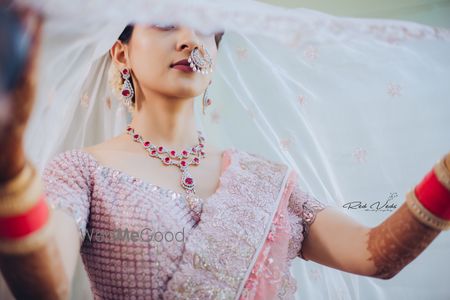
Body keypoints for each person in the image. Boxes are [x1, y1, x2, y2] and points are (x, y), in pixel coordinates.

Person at [1, 1, 450, 299]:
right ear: (121, 55)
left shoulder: (268, 181)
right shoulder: (82, 172)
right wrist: (7, 169)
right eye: (163, 22)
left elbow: (375, 254)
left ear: (213, 62)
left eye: (206, 31)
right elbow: (47, 285)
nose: (190, 40)